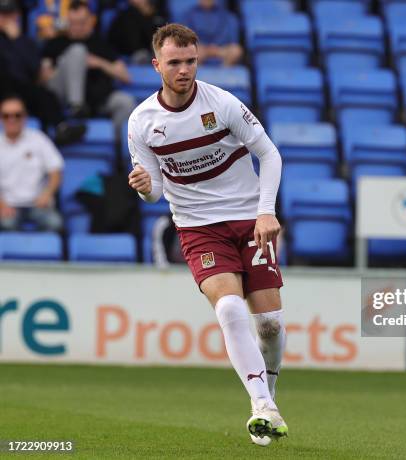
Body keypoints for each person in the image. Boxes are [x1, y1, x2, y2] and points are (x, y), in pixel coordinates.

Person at [127, 24, 287, 445]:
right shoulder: (143, 122)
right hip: (198, 226)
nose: (184, 70)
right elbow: (157, 191)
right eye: (175, 62)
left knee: (269, 323)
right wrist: (147, 189)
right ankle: (261, 406)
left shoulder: (223, 104)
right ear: (156, 65)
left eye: (191, 61)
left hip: (249, 220)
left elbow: (269, 154)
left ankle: (269, 395)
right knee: (230, 309)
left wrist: (266, 212)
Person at [41, 0, 135, 132]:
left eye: (81, 22)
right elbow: (44, 77)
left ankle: (118, 146)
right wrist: (69, 65)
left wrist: (98, 63)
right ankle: (76, 106)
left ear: (91, 20)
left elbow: (125, 76)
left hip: (96, 97)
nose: (77, 27)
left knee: (126, 102)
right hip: (62, 96)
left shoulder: (100, 44)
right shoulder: (56, 43)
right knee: (77, 50)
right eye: (73, 23)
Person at [0, 0, 85, 144]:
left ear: (17, 16)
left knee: (44, 94)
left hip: (21, 90)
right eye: (3, 15)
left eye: (10, 14)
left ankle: (61, 128)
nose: (7, 19)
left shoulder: (24, 41)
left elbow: (34, 68)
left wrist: (17, 39)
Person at [0, 95, 63, 232]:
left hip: (38, 204)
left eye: (17, 115)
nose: (12, 119)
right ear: (1, 118)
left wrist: (47, 193)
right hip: (8, 205)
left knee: (55, 223)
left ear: (25, 117)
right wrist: (1, 204)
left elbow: (56, 170)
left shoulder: (38, 138)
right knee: (6, 225)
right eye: (6, 115)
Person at [182, 0, 243, 67]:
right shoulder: (188, 15)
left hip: (221, 50)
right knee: (190, 51)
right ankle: (197, 72)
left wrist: (217, 49)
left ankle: (223, 71)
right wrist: (205, 48)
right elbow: (186, 39)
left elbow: (232, 41)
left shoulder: (227, 16)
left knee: (236, 50)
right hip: (201, 50)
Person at [107, 0, 166, 64]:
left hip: (154, 50)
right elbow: (132, 44)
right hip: (133, 54)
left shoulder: (159, 13)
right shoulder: (126, 16)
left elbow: (163, 35)